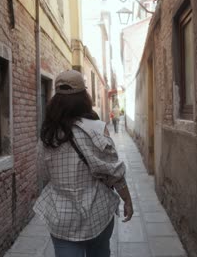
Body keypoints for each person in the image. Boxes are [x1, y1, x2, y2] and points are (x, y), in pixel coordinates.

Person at [34, 70, 134, 257]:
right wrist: (127, 199)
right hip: (97, 213)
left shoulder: (48, 134)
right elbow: (114, 173)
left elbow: (42, 173)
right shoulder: (96, 129)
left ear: (56, 100)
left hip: (61, 216)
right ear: (84, 97)